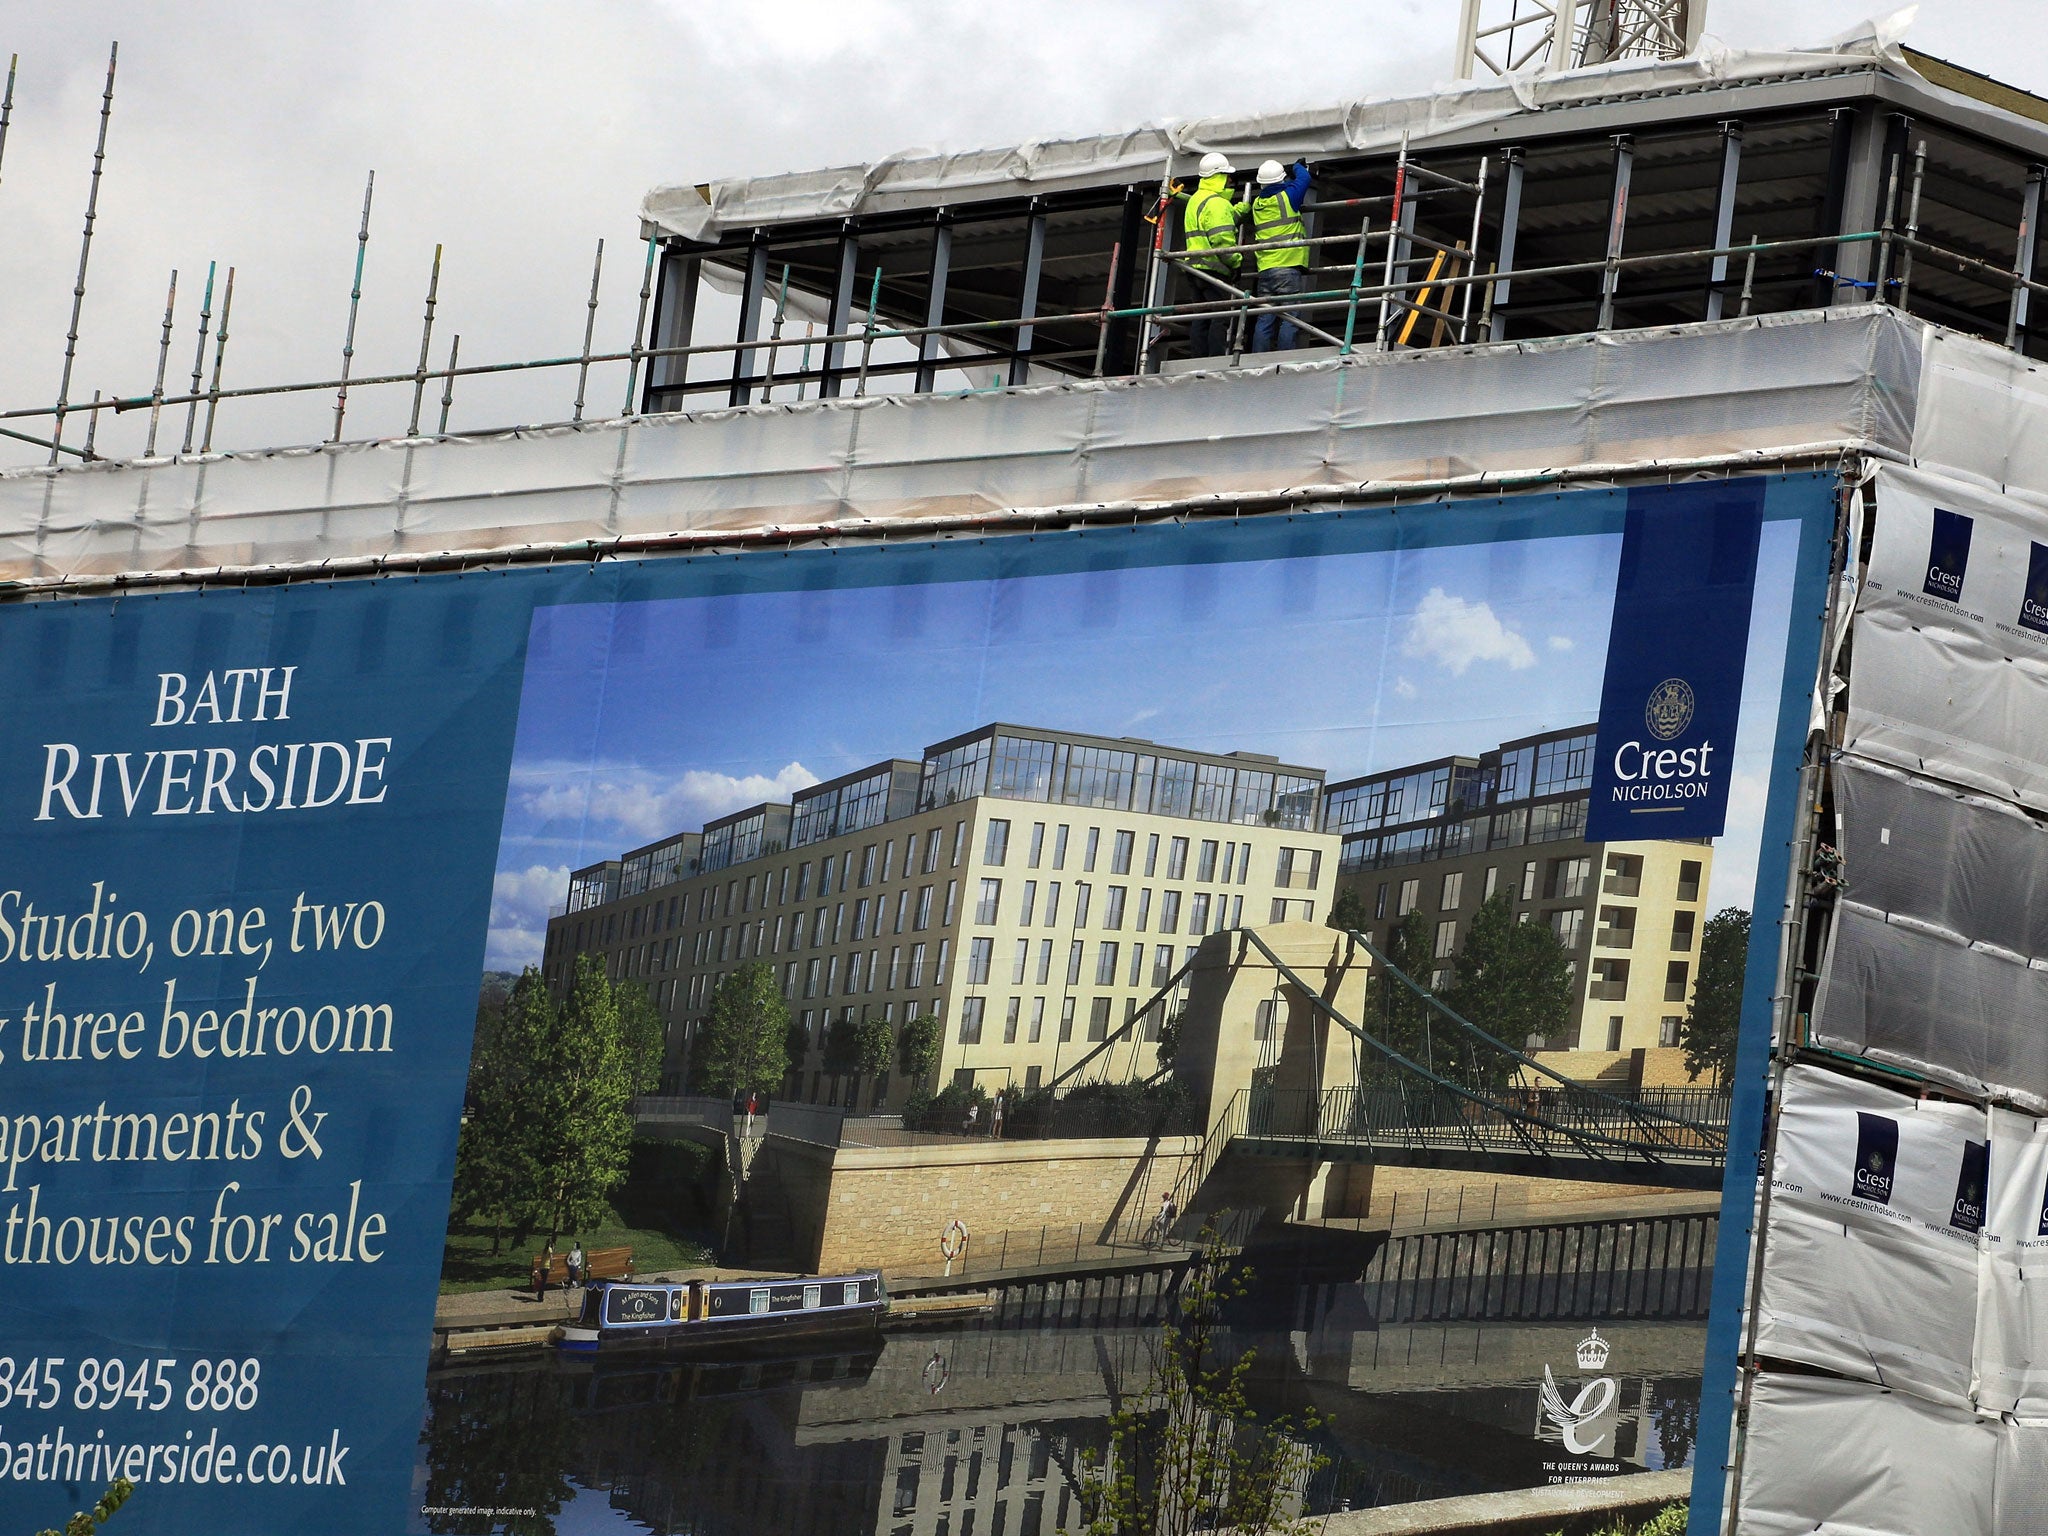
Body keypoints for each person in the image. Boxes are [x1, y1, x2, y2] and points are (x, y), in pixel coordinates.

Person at [1179, 151, 1245, 358]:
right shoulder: (1217, 203)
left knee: (1201, 316)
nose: (1229, 181)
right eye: (1226, 176)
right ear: (1219, 177)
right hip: (1214, 268)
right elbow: (1221, 240)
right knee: (1220, 316)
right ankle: (1215, 357)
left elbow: (1210, 223)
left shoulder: (1196, 200)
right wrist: (1236, 262)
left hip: (1194, 268)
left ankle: (1198, 357)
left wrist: (1237, 212)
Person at [1249, 158, 1313, 352]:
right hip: (1287, 266)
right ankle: (1284, 357)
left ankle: (1257, 358)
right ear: (1281, 179)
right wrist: (1297, 166)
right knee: (1290, 317)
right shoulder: (1288, 197)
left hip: (1266, 269)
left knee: (1265, 318)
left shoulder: (1257, 204)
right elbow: (1304, 178)